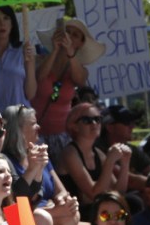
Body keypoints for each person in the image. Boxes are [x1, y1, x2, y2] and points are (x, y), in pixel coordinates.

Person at [2, 103, 82, 225]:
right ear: (19, 130)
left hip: (52, 215)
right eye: (33, 123)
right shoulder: (6, 160)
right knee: (52, 217)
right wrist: (33, 169)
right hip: (31, 219)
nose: (39, 127)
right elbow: (16, 204)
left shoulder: (40, 151)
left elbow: (61, 190)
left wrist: (63, 200)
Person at [32, 19, 105, 150]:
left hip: (62, 135)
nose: (69, 36)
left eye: (75, 35)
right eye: (67, 32)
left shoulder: (79, 70)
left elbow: (80, 80)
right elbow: (39, 77)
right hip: (35, 134)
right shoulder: (40, 60)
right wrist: (55, 50)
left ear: (80, 44)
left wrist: (70, 53)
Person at [58, 102, 130, 222]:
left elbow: (119, 192)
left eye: (98, 119)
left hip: (98, 209)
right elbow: (94, 194)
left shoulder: (98, 153)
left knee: (133, 202)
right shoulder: (70, 153)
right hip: (79, 214)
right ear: (74, 126)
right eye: (87, 120)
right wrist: (109, 162)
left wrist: (125, 163)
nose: (94, 123)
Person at [97, 105, 150, 197]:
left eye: (132, 122)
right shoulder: (100, 151)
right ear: (110, 127)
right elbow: (131, 181)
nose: (132, 126)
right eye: (127, 122)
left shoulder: (133, 149)